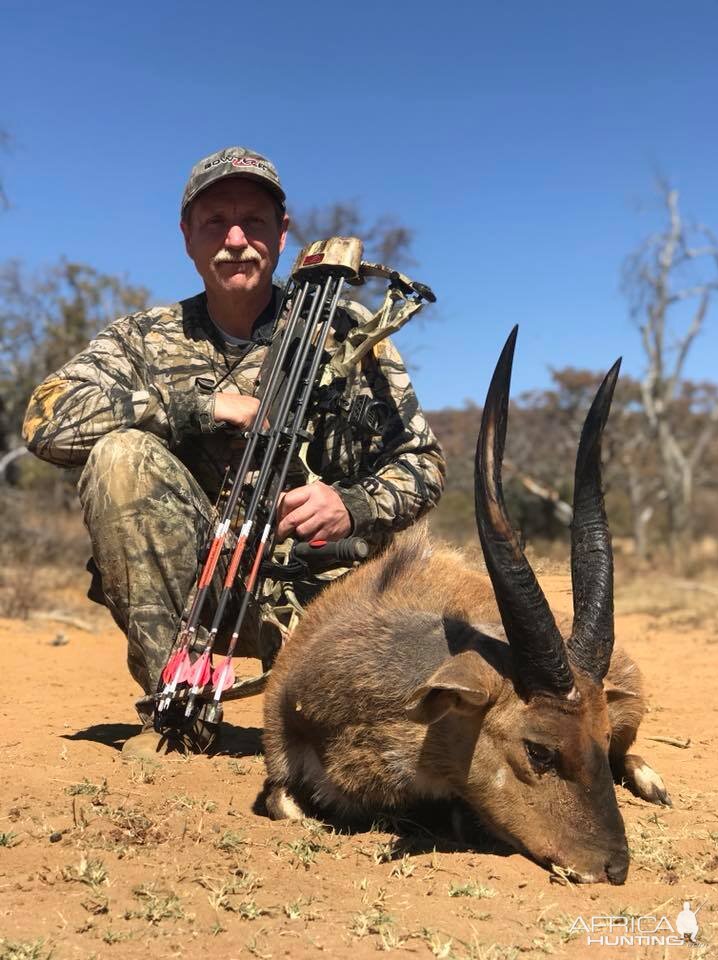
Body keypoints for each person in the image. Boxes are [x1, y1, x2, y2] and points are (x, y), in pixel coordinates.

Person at [23, 147, 446, 760]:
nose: (236, 239)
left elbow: (424, 462)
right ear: (188, 237)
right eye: (215, 221)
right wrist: (202, 407)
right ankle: (177, 713)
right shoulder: (141, 338)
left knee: (358, 743)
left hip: (322, 587)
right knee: (121, 456)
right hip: (195, 590)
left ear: (282, 232)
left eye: (253, 220)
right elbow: (46, 420)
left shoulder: (346, 329)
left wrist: (351, 505)